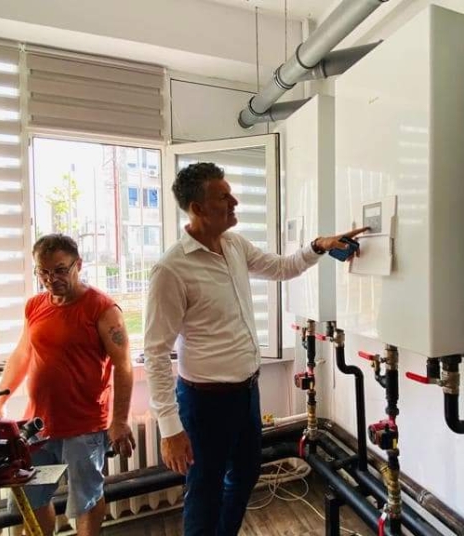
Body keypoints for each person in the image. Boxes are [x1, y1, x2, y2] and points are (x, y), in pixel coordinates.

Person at [144, 162, 368, 535]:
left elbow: (282, 268)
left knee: (245, 474)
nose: (234, 202)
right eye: (223, 197)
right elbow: (154, 354)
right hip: (204, 403)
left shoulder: (234, 245)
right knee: (205, 491)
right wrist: (170, 429)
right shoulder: (171, 270)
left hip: (246, 393)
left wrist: (318, 246)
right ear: (197, 208)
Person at [0, 234, 135, 536]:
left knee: (86, 500)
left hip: (84, 427)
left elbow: (124, 365)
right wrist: (0, 399)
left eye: (60, 270)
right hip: (38, 425)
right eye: (43, 272)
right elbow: (22, 354)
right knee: (32, 497)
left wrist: (120, 420)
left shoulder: (102, 308)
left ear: (78, 265)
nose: (51, 279)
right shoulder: (35, 305)